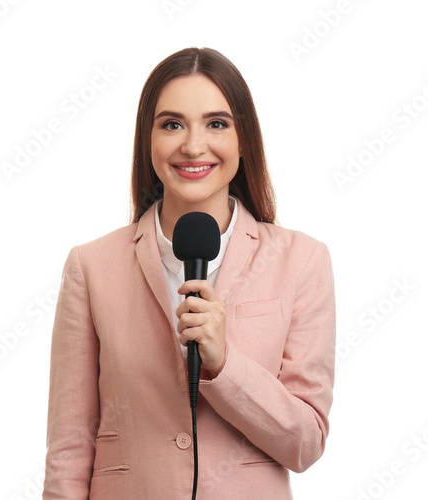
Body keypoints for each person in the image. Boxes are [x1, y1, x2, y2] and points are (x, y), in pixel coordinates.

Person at [42, 47, 336, 500]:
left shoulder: (302, 260)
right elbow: (70, 446)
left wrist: (225, 364)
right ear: (149, 139)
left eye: (216, 123)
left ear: (244, 140)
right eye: (172, 124)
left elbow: (306, 442)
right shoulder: (92, 267)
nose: (193, 145)